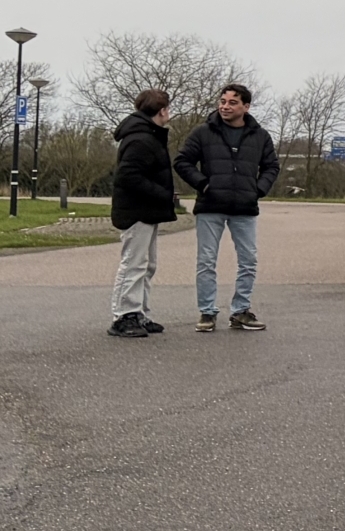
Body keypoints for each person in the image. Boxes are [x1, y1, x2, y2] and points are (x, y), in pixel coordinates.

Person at [174, 81, 280, 333]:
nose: (225, 106)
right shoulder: (203, 132)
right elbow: (182, 161)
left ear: (246, 106)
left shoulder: (261, 136)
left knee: (248, 261)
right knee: (206, 261)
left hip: (244, 208)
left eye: (232, 102)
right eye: (222, 101)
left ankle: (241, 311)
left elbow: (271, 167)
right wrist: (203, 184)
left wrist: (258, 189)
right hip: (210, 206)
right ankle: (207, 312)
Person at [106, 88, 178, 339]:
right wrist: (162, 194)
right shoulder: (140, 139)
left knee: (147, 265)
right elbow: (128, 176)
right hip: (136, 211)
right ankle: (123, 316)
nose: (169, 112)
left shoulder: (149, 135)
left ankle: (139, 312)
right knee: (133, 264)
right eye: (167, 108)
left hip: (147, 211)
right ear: (161, 111)